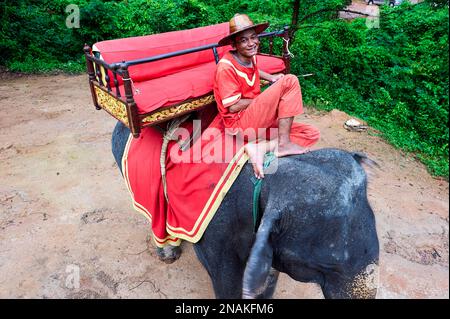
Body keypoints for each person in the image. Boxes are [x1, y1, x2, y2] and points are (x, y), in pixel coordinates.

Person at [214, 13, 320, 179]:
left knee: (310, 133)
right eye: (243, 40)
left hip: (257, 120)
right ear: (234, 44)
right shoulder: (225, 67)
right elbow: (233, 106)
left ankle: (262, 147)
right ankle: (282, 144)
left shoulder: (249, 56)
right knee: (290, 81)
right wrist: (266, 101)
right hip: (240, 124)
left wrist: (271, 78)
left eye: (253, 37)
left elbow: (254, 68)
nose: (251, 43)